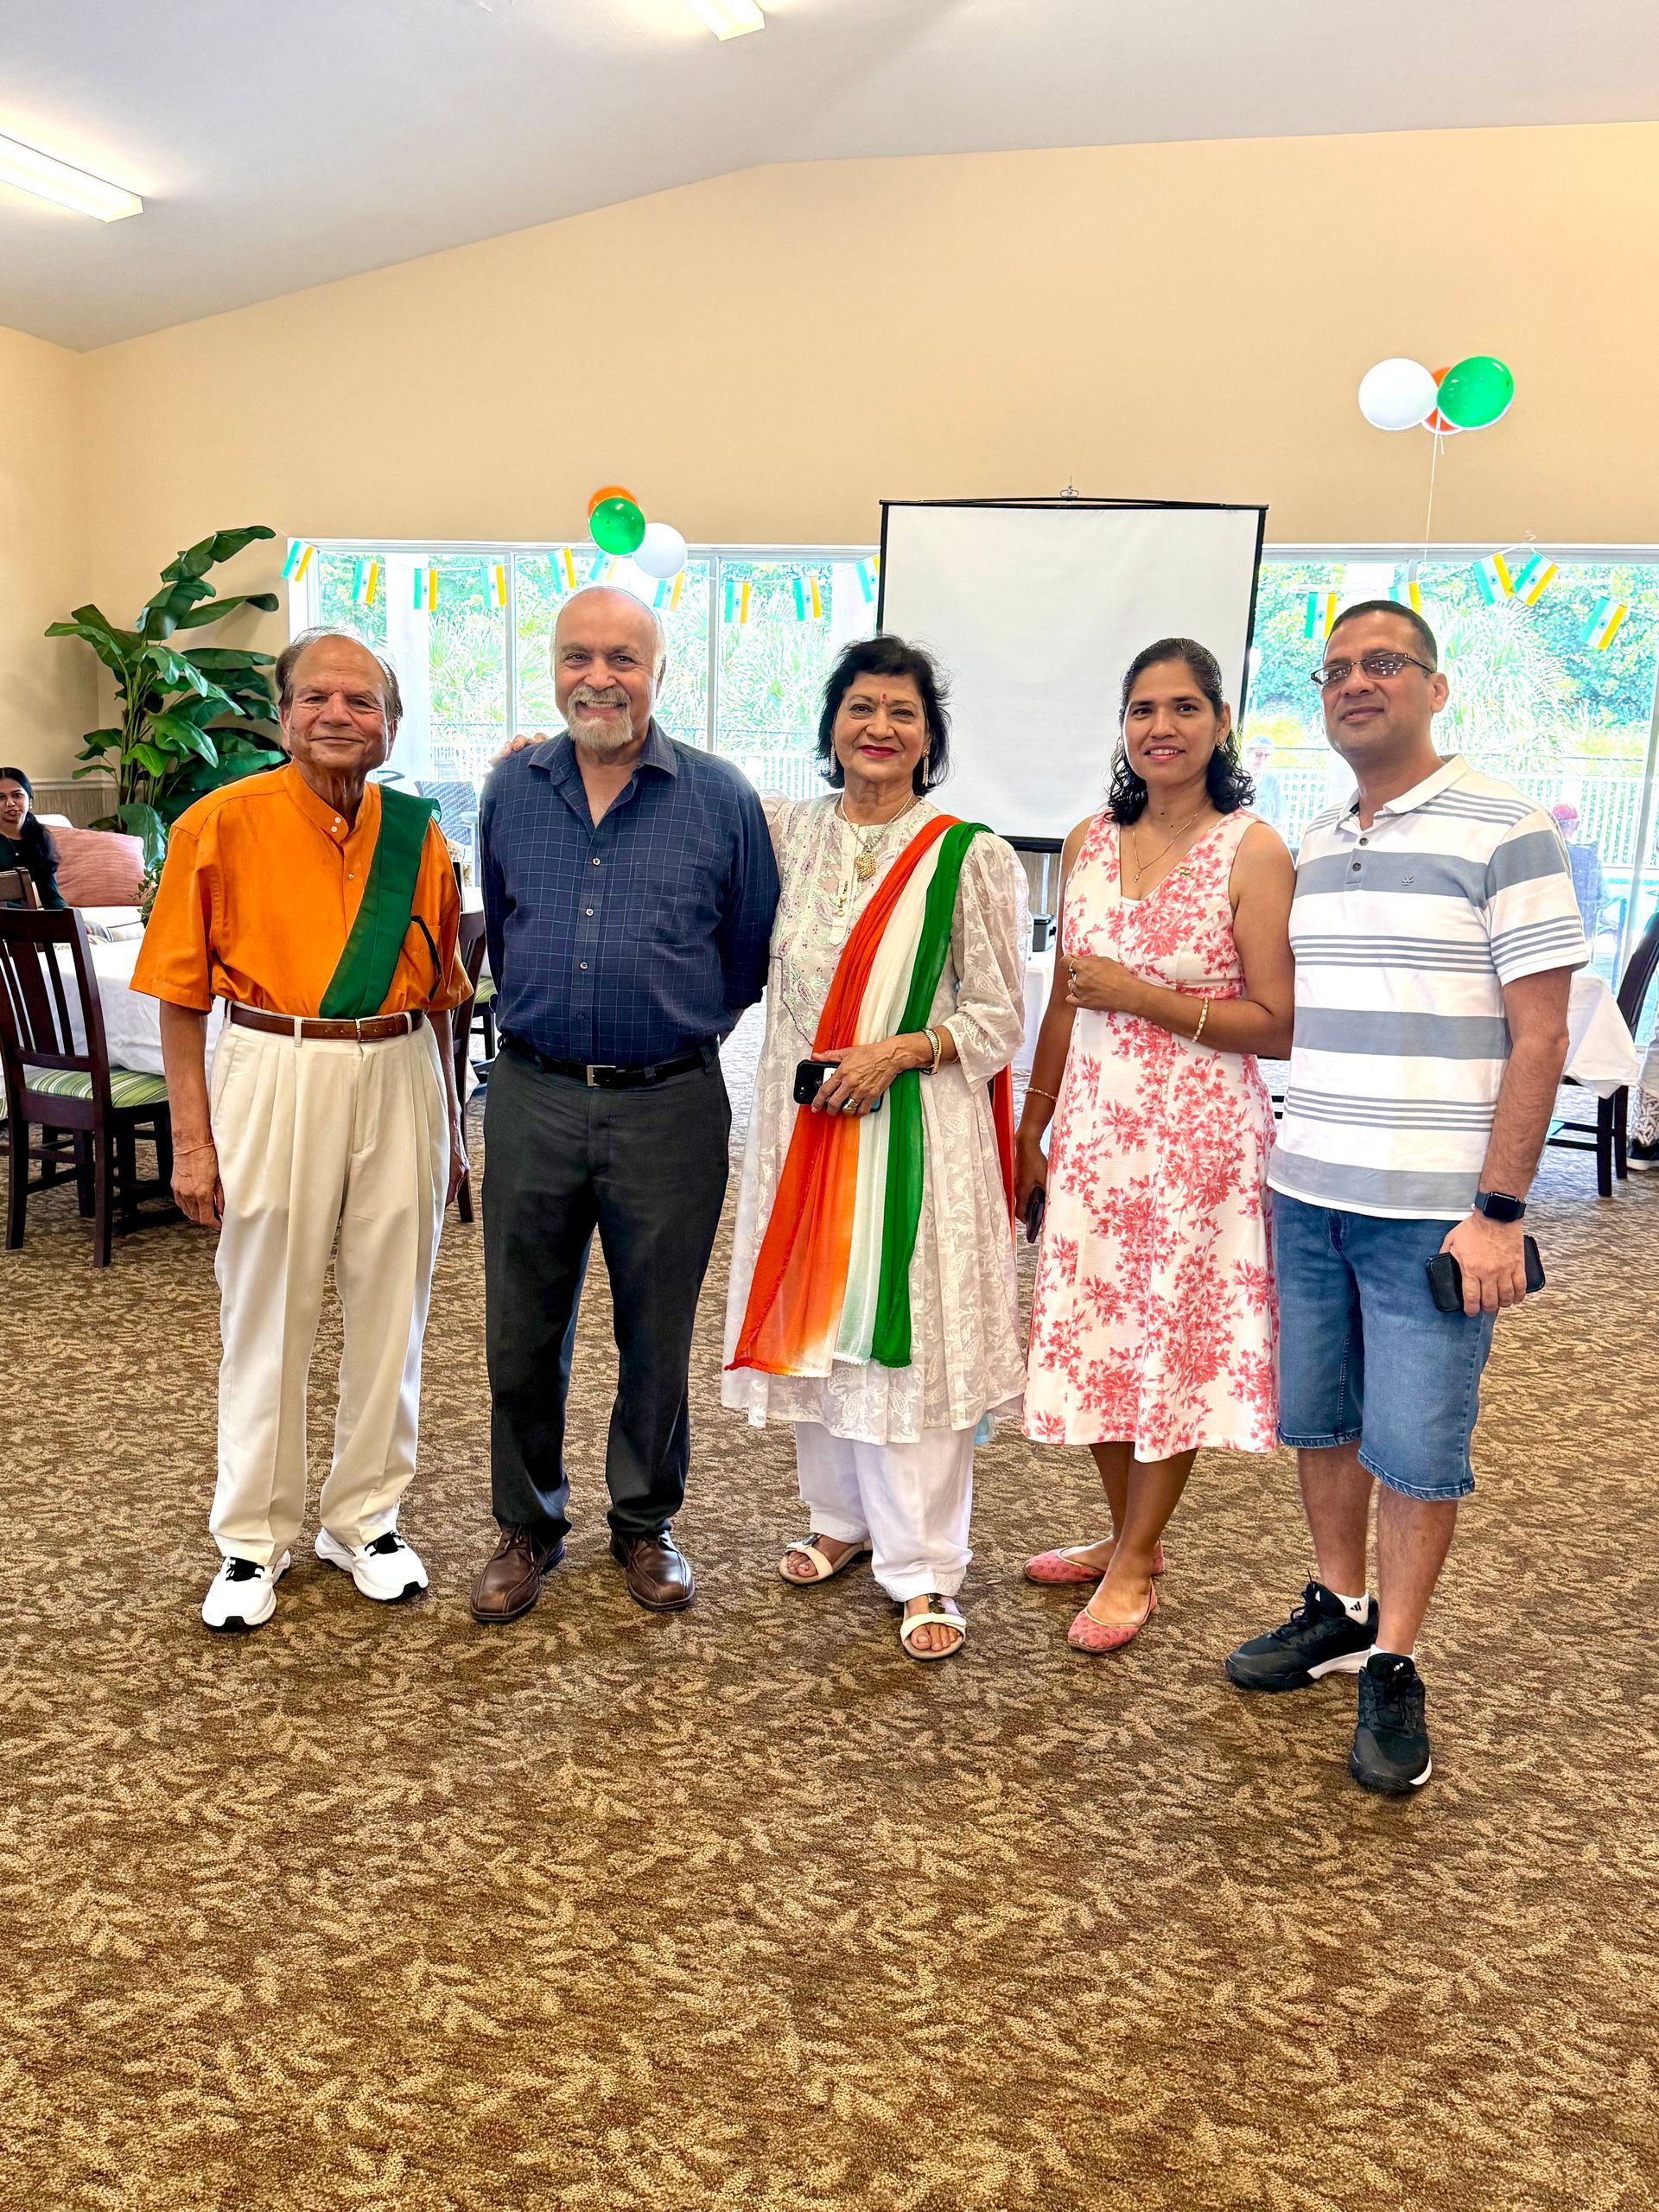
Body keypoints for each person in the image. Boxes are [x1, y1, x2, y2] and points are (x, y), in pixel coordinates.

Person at [1228, 600, 1586, 1794]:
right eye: (1334, 670)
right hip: (1307, 1186)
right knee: (1320, 1420)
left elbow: (1542, 1037)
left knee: (1420, 1450)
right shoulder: (1317, 837)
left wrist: (1498, 1209)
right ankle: (1336, 1604)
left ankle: (1394, 1661)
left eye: (1382, 664)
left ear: (1435, 687)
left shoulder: (1508, 828)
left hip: (1432, 1210)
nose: (1354, 684)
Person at [136, 630, 471, 1630]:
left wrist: (451, 1121)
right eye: (317, 697)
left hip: (402, 1062)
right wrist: (193, 1142)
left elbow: (446, 992)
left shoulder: (421, 834)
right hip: (273, 1064)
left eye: (362, 702)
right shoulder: (220, 822)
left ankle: (365, 1517)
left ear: (390, 725)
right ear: (283, 716)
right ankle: (251, 1538)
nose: (338, 715)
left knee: (391, 1309)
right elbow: (180, 999)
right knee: (265, 1307)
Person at [469, 587, 778, 1624]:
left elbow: (744, 961)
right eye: (576, 657)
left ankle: (645, 1522)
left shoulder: (723, 798)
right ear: (553, 667)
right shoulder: (511, 787)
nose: (597, 677)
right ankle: (527, 1524)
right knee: (521, 1329)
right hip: (533, 1094)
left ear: (658, 672)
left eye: (622, 659)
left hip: (670, 1106)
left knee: (657, 1330)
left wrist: (666, 1032)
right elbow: (505, 941)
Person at [722, 637, 1027, 1660]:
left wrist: (904, 1048)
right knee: (814, 1326)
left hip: (914, 1134)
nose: (879, 727)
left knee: (910, 1340)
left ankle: (927, 1566)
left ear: (929, 735)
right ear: (831, 726)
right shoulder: (783, 834)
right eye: (860, 708)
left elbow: (997, 1017)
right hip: (804, 1128)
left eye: (902, 711)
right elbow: (682, 800)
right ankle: (842, 1522)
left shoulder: (965, 854)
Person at [1019, 640, 1294, 1654]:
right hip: (1094, 1128)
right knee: (1091, 1339)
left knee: (1169, 1348)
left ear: (1221, 722)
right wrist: (1032, 1121)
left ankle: (1138, 1557)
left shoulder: (1252, 850)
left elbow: (1277, 1023)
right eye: (1142, 709)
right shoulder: (1089, 838)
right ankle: (1123, 1528)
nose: (1161, 727)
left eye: (1183, 707)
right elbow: (1063, 996)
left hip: (1199, 1139)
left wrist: (1147, 998)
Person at [0, 767, 66, 907]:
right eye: (1, 797)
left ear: (30, 798)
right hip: (8, 919)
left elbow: (51, 897)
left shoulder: (38, 836)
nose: (10, 803)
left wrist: (70, 920)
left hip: (30, 920)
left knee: (93, 927)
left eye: (17, 795)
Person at [1549, 803, 1605, 938]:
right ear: (1575, 826)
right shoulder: (1588, 856)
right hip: (1581, 926)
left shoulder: (1542, 852)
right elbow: (1603, 896)